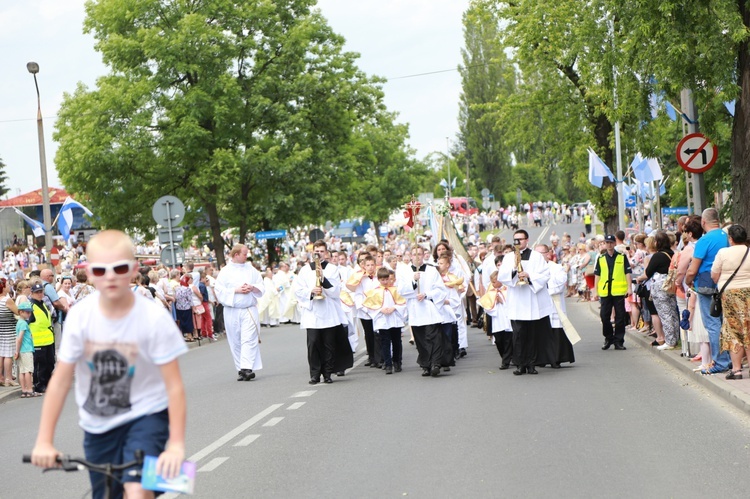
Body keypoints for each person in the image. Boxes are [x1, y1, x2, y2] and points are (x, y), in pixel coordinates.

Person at [30, 230, 188, 499]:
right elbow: (60, 381)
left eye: (120, 268)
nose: (111, 276)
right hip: (97, 427)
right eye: (101, 270)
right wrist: (44, 441)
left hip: (147, 418)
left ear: (134, 270)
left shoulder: (153, 317)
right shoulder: (80, 315)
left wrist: (176, 445)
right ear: (89, 273)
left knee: (137, 491)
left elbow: (174, 387)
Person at [497, 230, 554, 375]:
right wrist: (514, 272)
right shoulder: (509, 257)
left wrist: (529, 275)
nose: (518, 242)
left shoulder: (536, 256)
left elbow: (545, 274)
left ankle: (531, 364)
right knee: (518, 335)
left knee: (532, 335)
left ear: (527, 240)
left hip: (531, 299)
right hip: (517, 300)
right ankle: (519, 364)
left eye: (520, 240)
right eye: (515, 240)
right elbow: (502, 275)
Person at [295, 240, 350, 384]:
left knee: (328, 345)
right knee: (313, 344)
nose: (318, 254)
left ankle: (327, 373)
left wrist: (323, 280)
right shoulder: (305, 270)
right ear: (312, 252)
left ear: (326, 253)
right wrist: (311, 291)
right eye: (316, 251)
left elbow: (336, 291)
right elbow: (298, 290)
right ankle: (314, 374)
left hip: (328, 311)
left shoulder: (332, 269)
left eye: (321, 251)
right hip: (312, 312)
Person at [685, 208, 731, 375]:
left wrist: (688, 281)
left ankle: (720, 361)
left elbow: (692, 269)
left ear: (703, 222)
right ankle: (731, 358)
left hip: (706, 285)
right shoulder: (726, 236)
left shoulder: (704, 241)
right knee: (725, 323)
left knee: (713, 325)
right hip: (725, 284)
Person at [215, 244, 265, 381]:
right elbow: (219, 290)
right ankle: (240, 369)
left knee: (248, 339)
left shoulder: (251, 269)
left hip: (249, 309)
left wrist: (252, 287)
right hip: (232, 310)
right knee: (235, 340)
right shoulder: (225, 272)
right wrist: (235, 290)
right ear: (236, 255)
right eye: (244, 254)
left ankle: (247, 368)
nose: (246, 256)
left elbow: (261, 284)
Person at [396, 248, 448, 377]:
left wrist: (427, 294)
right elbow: (401, 291)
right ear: (410, 256)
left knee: (434, 337)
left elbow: (440, 290)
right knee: (421, 339)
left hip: (429, 308)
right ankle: (426, 364)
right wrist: (413, 281)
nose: (417, 257)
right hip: (415, 309)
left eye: (419, 254)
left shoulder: (431, 270)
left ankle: (436, 363)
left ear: (423, 255)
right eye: (414, 254)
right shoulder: (404, 271)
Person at [711, 224, 750, 380]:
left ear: (731, 239)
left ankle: (736, 370)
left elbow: (714, 275)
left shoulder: (723, 253)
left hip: (730, 295)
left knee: (733, 330)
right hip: (749, 292)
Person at [535, 244, 576, 367]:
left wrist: (542, 285)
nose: (538, 257)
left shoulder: (556, 268)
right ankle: (541, 359)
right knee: (540, 333)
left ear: (548, 254)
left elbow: (559, 284)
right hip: (538, 306)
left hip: (553, 304)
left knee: (555, 331)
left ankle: (556, 359)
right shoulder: (532, 269)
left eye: (541, 253)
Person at [364, 267, 406, 374]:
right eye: (383, 280)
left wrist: (394, 308)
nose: (385, 282)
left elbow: (403, 302)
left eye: (387, 279)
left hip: (394, 318)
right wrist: (380, 309)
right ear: (378, 279)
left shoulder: (395, 289)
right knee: (385, 342)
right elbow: (369, 306)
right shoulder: (375, 292)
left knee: (396, 341)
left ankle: (397, 362)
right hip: (382, 320)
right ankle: (388, 364)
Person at [595, 235, 632, 350]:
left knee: (620, 317)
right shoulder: (601, 258)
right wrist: (595, 291)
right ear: (605, 244)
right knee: (604, 317)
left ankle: (619, 341)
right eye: (607, 242)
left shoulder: (621, 257)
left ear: (615, 243)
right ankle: (608, 338)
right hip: (605, 291)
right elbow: (597, 275)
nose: (609, 245)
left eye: (611, 242)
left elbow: (627, 272)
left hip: (618, 291)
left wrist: (629, 287)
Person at [29, 282, 55, 394]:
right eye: (37, 292)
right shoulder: (31, 307)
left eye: (41, 292)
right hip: (38, 342)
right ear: (32, 293)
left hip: (49, 339)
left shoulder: (43, 303)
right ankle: (39, 385)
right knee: (40, 365)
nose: (40, 294)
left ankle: (48, 383)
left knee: (50, 363)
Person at [0, 277, 20, 387]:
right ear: (2, 287)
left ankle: (0, 377)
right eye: (7, 285)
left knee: (1, 354)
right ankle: (8, 378)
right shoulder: (7, 300)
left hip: (0, 329)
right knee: (8, 355)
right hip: (8, 330)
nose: (9, 286)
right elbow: (17, 312)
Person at [15, 301, 37, 397]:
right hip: (27, 349)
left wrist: (17, 350)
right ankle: (29, 389)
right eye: (27, 312)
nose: (29, 314)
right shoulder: (23, 323)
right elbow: (20, 338)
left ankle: (24, 390)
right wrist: (17, 350)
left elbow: (17, 339)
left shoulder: (19, 323)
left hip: (21, 350)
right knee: (28, 371)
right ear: (20, 312)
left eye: (30, 312)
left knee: (22, 371)